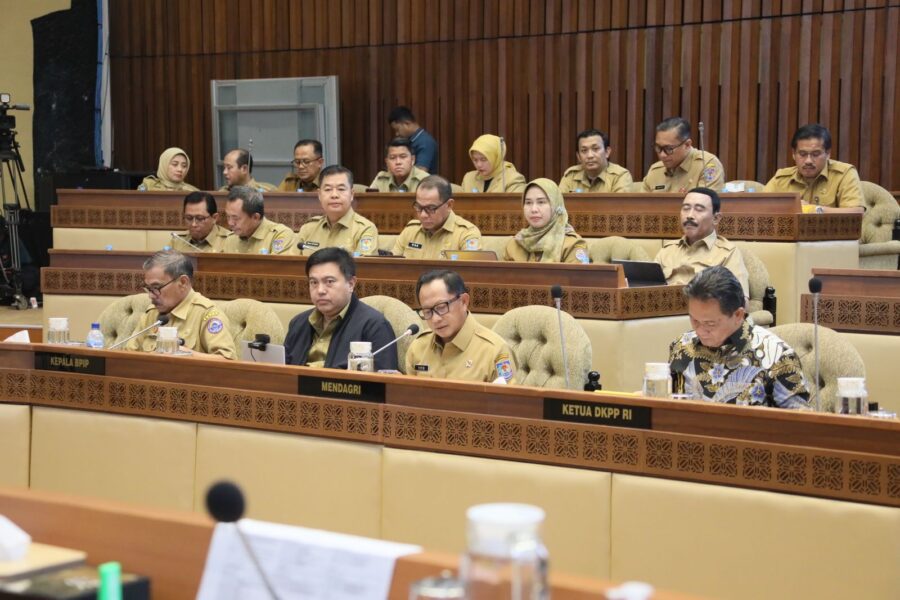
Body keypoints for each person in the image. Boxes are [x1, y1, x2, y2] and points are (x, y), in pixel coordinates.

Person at [668, 266, 809, 408]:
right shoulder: (682, 347)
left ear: (738, 315)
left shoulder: (778, 357)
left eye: (710, 323)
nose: (700, 331)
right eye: (694, 320)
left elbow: (799, 420)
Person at [283, 247, 398, 370]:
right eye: (314, 282)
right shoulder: (298, 323)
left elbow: (384, 378)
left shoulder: (375, 326)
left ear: (351, 284)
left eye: (329, 281)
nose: (320, 290)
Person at [405, 269, 517, 383]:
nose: (435, 319)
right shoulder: (418, 347)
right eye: (427, 311)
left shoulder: (495, 351)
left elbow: (509, 394)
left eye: (441, 307)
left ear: (464, 301)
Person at [126, 250, 236, 359]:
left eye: (156, 287)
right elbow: (127, 356)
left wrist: (188, 355)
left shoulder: (207, 314)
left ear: (183, 282)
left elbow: (227, 360)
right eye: (149, 288)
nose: (151, 296)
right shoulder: (152, 313)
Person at [654, 187, 749, 297]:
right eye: (686, 208)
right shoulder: (667, 250)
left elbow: (740, 301)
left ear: (716, 218)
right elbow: (647, 290)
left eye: (699, 209)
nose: (689, 215)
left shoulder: (727, 253)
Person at [763, 124, 864, 213]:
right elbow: (758, 208)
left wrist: (813, 210)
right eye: (802, 154)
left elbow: (857, 213)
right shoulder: (782, 178)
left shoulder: (844, 174)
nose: (808, 161)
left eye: (815, 154)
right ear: (793, 154)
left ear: (828, 154)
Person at [392, 175, 482, 259]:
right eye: (419, 207)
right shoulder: (410, 231)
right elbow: (392, 266)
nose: (423, 215)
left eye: (431, 208)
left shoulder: (466, 234)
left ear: (449, 205)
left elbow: (470, 269)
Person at [296, 165, 378, 256]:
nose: (334, 195)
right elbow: (291, 261)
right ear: (319, 195)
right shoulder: (309, 228)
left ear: (351, 194)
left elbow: (364, 264)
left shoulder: (364, 229)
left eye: (341, 189)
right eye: (328, 189)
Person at [502, 178, 589, 264]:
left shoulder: (572, 245)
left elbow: (578, 273)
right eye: (528, 203)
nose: (533, 209)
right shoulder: (515, 244)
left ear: (555, 205)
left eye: (541, 202)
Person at [641, 117, 725, 193]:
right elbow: (641, 203)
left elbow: (706, 202)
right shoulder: (655, 170)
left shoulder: (707, 165)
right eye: (658, 147)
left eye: (669, 149)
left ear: (687, 145)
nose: (662, 155)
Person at [222, 186, 297, 255]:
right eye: (228, 217)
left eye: (236, 218)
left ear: (255, 217)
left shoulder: (280, 235)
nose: (230, 223)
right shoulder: (230, 239)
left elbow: (277, 265)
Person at [558, 129, 633, 193]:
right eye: (584, 150)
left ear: (607, 152)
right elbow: (558, 204)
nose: (590, 155)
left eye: (595, 149)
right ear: (578, 156)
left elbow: (619, 205)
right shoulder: (571, 176)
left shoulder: (620, 176)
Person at [460, 134, 527, 193]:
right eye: (475, 160)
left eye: (483, 159)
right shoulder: (468, 178)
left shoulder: (513, 179)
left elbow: (515, 203)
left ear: (496, 157)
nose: (479, 165)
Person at [388, 106, 438, 173]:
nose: (397, 134)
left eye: (397, 130)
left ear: (407, 123)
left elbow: (421, 171)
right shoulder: (410, 141)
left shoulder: (425, 142)